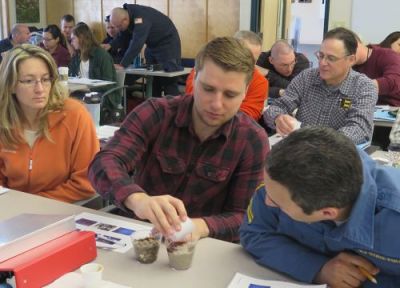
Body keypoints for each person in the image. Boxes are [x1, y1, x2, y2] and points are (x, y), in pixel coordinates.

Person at [88, 37, 269, 242]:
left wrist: (201, 226)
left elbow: (245, 215)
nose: (217, 104)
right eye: (208, 89)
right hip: (139, 237)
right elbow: (104, 162)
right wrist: (137, 200)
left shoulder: (252, 141)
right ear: (193, 79)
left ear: (245, 92)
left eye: (230, 95)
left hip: (203, 248)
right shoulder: (157, 113)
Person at [240, 127, 400, 288]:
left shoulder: (393, 217)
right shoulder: (280, 181)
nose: (266, 201)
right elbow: (254, 233)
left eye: (278, 204)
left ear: (327, 213)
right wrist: (318, 268)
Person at [0, 44, 99, 203]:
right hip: (12, 212)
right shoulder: (3, 121)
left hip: (64, 211)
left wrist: (30, 203)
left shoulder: (74, 115)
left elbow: (86, 184)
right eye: (28, 81)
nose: (40, 89)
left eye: (45, 79)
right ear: (10, 85)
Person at [264, 27, 378, 145]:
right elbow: (276, 107)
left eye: (331, 58)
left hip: (338, 155)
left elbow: (358, 130)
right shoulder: (306, 77)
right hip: (301, 152)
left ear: (351, 60)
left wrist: (316, 138)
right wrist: (278, 118)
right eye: (321, 55)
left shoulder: (364, 87)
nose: (323, 63)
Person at [185, 30, 268, 121]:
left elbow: (248, 116)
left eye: (230, 95)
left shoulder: (260, 82)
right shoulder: (205, 67)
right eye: (208, 89)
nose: (248, 63)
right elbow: (191, 99)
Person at [109, 4, 183, 96]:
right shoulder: (128, 17)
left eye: (118, 26)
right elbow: (124, 36)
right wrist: (110, 45)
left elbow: (137, 42)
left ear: (125, 20)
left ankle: (176, 109)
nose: (118, 29)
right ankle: (155, 109)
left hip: (168, 46)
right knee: (153, 82)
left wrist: (123, 64)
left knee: (169, 83)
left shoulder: (140, 17)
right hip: (152, 47)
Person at [68, 23, 122, 124]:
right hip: (82, 93)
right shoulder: (76, 57)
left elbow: (108, 83)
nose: (71, 42)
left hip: (103, 95)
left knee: (76, 105)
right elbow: (72, 77)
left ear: (81, 38)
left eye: (73, 39)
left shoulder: (102, 55)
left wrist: (87, 88)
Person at [351, 28, 400, 107]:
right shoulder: (371, 53)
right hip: (366, 105)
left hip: (391, 108)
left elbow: (392, 82)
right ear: (390, 41)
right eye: (399, 45)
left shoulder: (393, 57)